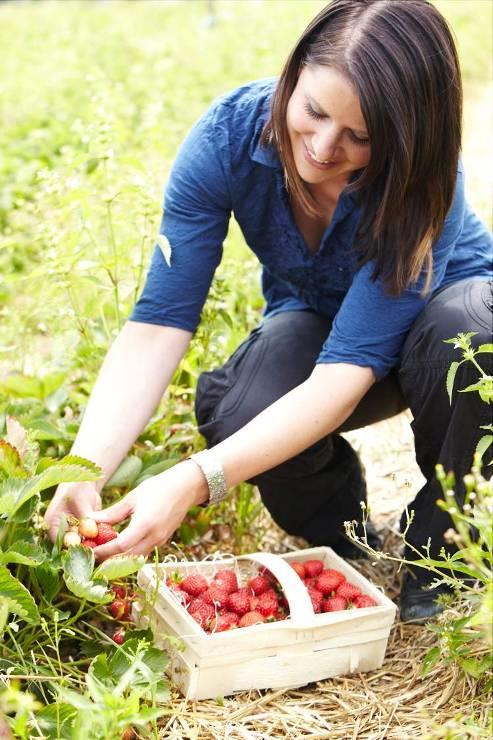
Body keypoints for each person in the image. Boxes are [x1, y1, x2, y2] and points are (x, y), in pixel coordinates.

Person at [45, 0, 492, 622]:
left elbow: (344, 376)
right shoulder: (228, 139)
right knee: (242, 409)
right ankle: (343, 534)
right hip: (322, 323)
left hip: (431, 335)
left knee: (476, 337)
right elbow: (157, 325)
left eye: (361, 136)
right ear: (292, 74)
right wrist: (85, 468)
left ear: (406, 136)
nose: (323, 147)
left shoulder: (425, 182)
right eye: (312, 111)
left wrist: (192, 481)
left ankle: (447, 550)